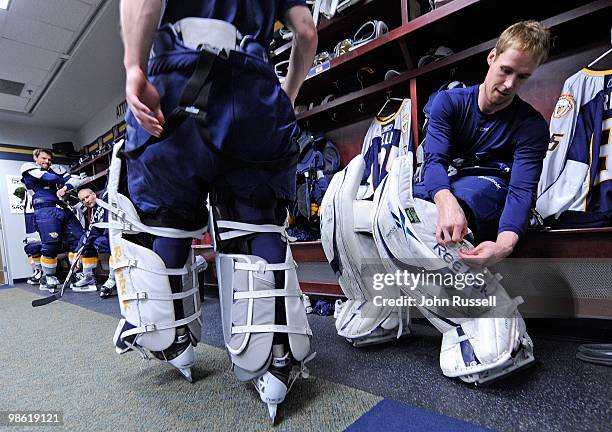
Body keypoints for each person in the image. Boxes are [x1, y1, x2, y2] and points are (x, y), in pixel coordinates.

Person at [115, 0, 317, 421]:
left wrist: (134, 66)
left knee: (165, 223)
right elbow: (306, 32)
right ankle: (276, 362)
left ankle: (175, 344)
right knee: (256, 222)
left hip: (174, 78)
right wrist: (287, 94)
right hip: (255, 89)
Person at [414, 20, 551, 267]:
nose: (510, 84)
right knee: (413, 199)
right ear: (491, 57)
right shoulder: (448, 103)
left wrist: (502, 246)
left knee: (471, 198)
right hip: (454, 181)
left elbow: (521, 190)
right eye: (506, 70)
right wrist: (445, 201)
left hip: (492, 187)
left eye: (522, 77)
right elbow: (434, 161)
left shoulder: (532, 126)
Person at [21, 149, 84, 293]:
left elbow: (76, 180)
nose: (47, 162)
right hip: (44, 208)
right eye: (43, 158)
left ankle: (76, 273)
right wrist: (65, 181)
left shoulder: (57, 169)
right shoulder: (28, 168)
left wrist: (66, 187)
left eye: (49, 160)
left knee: (79, 238)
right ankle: (48, 277)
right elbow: (49, 178)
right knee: (51, 244)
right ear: (35, 157)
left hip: (62, 207)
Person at [70, 188, 116, 297]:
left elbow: (93, 232)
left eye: (87, 197)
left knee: (95, 242)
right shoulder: (94, 210)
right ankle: (88, 278)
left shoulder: (102, 205)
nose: (86, 201)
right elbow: (89, 232)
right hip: (108, 237)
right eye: (82, 200)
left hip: (121, 238)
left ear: (94, 194)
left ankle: (112, 279)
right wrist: (78, 251)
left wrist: (79, 252)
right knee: (88, 244)